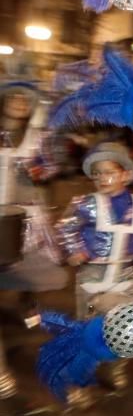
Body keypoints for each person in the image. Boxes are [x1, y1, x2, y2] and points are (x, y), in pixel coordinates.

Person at [56, 143, 133, 394]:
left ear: (125, 174)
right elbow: (66, 227)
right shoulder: (85, 203)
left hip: (125, 274)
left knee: (126, 324)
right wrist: (75, 250)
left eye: (109, 172)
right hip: (93, 275)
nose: (103, 178)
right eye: (97, 173)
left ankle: (116, 366)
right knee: (89, 322)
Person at [0, 84, 68, 399]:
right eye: (12, 97)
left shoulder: (38, 136)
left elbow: (54, 166)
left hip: (27, 215)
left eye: (23, 99)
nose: (18, 103)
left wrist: (37, 168)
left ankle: (27, 303)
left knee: (29, 265)